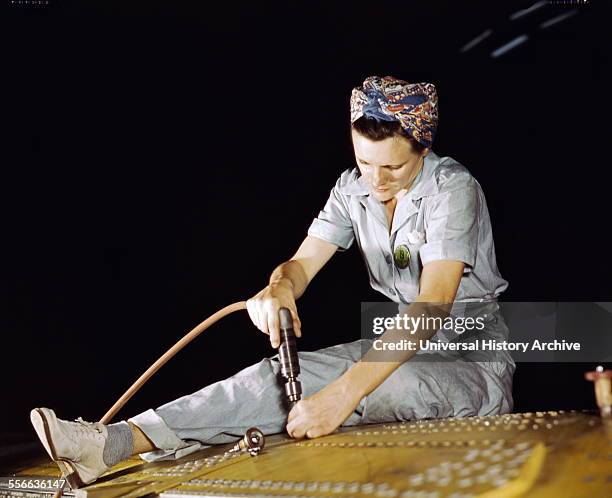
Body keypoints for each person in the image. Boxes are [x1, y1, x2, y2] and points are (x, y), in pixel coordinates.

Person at [30, 75, 514, 489]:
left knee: (367, 388)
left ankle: (347, 393)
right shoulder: (352, 189)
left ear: (423, 148)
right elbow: (300, 264)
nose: (377, 181)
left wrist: (344, 394)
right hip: (395, 342)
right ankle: (111, 443)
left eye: (394, 167)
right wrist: (279, 287)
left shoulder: (453, 187)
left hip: (470, 358)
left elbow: (432, 303)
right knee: (277, 378)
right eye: (366, 163)